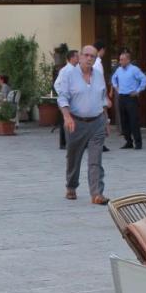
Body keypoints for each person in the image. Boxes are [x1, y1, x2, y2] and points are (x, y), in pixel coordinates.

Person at [54, 44, 109, 204]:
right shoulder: (68, 74)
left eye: (93, 56)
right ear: (80, 56)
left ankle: (96, 194)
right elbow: (62, 97)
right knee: (73, 157)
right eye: (87, 55)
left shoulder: (98, 75)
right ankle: (71, 186)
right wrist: (67, 117)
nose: (89, 58)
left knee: (95, 159)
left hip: (97, 122)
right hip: (76, 122)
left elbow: (102, 98)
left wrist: (106, 121)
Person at [110, 49, 146, 150]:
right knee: (124, 121)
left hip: (131, 98)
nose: (120, 62)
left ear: (128, 60)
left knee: (134, 121)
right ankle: (128, 141)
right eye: (120, 60)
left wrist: (138, 90)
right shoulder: (118, 70)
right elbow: (113, 78)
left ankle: (138, 143)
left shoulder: (134, 69)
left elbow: (144, 79)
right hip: (122, 97)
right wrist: (115, 87)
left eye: (122, 60)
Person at [54, 48, 79, 150]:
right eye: (77, 56)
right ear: (72, 58)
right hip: (67, 100)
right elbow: (57, 84)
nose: (78, 58)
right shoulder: (66, 70)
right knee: (66, 120)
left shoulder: (75, 69)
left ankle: (69, 142)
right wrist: (63, 95)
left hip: (73, 99)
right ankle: (65, 143)